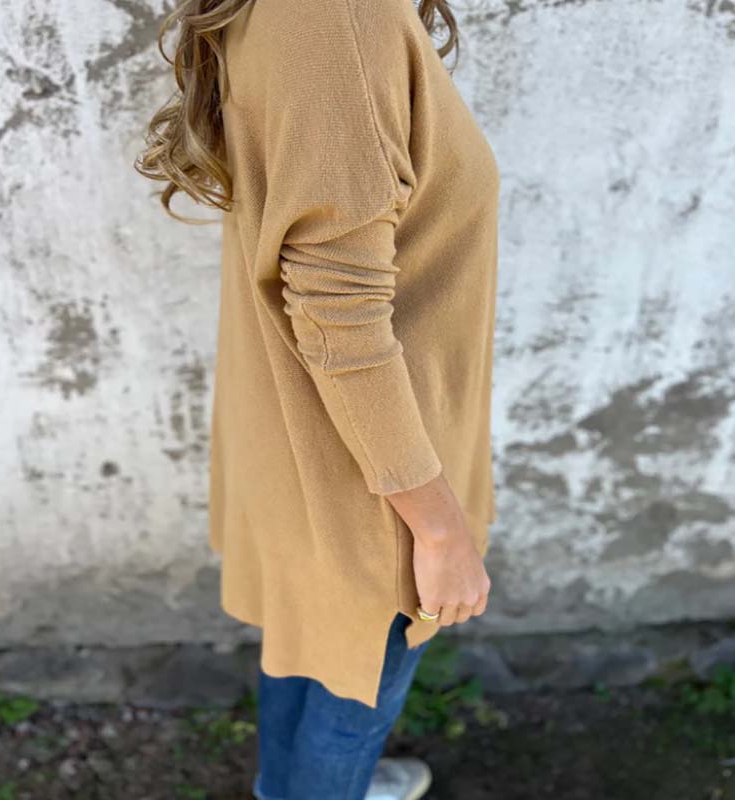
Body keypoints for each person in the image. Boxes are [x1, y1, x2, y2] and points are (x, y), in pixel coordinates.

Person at [135, 0, 500, 796]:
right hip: (374, 468)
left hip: (311, 436)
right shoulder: (341, 19)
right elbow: (341, 318)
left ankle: (294, 788)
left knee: (312, 644)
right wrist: (440, 530)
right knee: (355, 683)